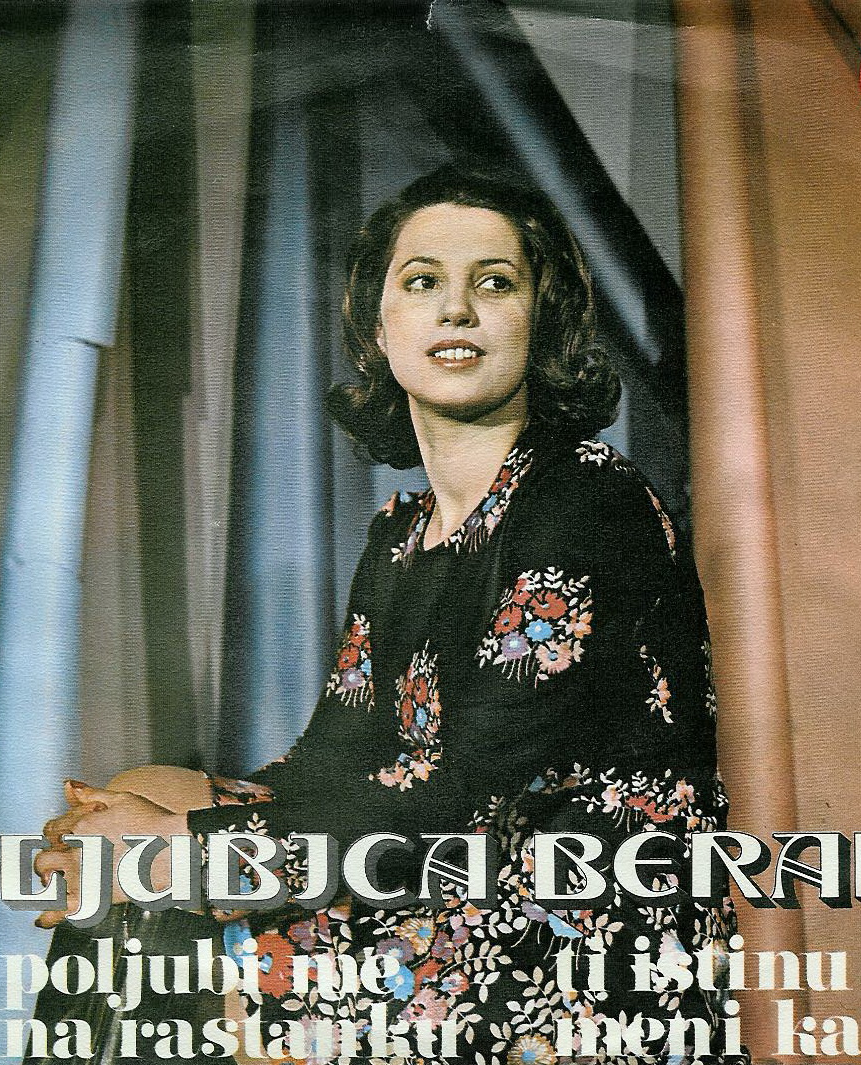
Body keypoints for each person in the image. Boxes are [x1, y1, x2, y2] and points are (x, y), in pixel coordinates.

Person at [36, 165, 744, 1064]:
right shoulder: (402, 536)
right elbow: (330, 762)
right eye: (422, 282)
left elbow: (466, 788)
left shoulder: (582, 500)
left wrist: (182, 847)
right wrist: (136, 825)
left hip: (576, 922)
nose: (456, 309)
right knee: (152, 800)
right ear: (379, 327)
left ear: (542, 322)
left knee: (194, 916)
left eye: (494, 282)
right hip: (453, 865)